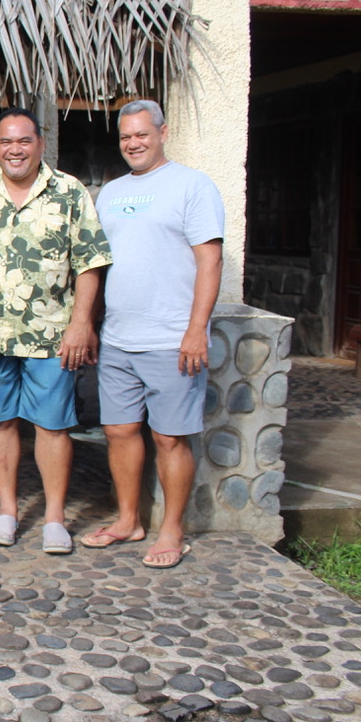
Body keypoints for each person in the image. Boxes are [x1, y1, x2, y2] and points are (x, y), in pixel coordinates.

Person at [0, 107, 112, 554]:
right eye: (6, 141)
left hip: (52, 333)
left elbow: (89, 262)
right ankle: (7, 511)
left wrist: (82, 323)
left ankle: (55, 518)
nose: (16, 150)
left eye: (24, 140)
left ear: (40, 144)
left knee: (53, 425)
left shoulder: (69, 191)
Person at [81, 99, 224, 569]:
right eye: (126, 136)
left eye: (142, 134)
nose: (133, 143)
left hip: (171, 339)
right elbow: (100, 265)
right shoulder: (111, 192)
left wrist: (196, 330)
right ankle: (129, 520)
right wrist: (92, 324)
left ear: (163, 132)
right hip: (119, 337)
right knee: (119, 431)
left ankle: (171, 530)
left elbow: (210, 261)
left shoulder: (193, 186)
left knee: (170, 438)